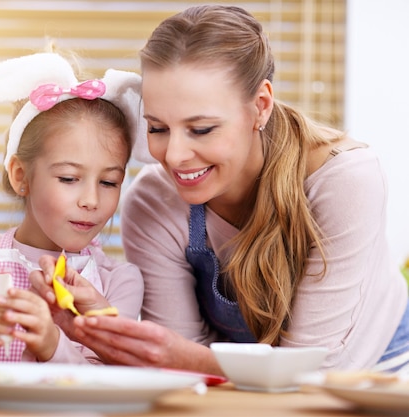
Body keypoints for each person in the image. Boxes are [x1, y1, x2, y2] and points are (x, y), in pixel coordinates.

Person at [30, 4, 409, 374]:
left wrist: (189, 361)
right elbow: (179, 370)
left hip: (373, 378)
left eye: (202, 129)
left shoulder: (343, 180)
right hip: (235, 387)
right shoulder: (152, 202)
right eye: (158, 128)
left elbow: (314, 372)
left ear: (260, 106)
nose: (175, 156)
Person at [0, 51, 145, 364]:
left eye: (109, 182)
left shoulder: (120, 282)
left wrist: (53, 344)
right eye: (69, 178)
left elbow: (112, 383)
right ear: (21, 176)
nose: (91, 200)